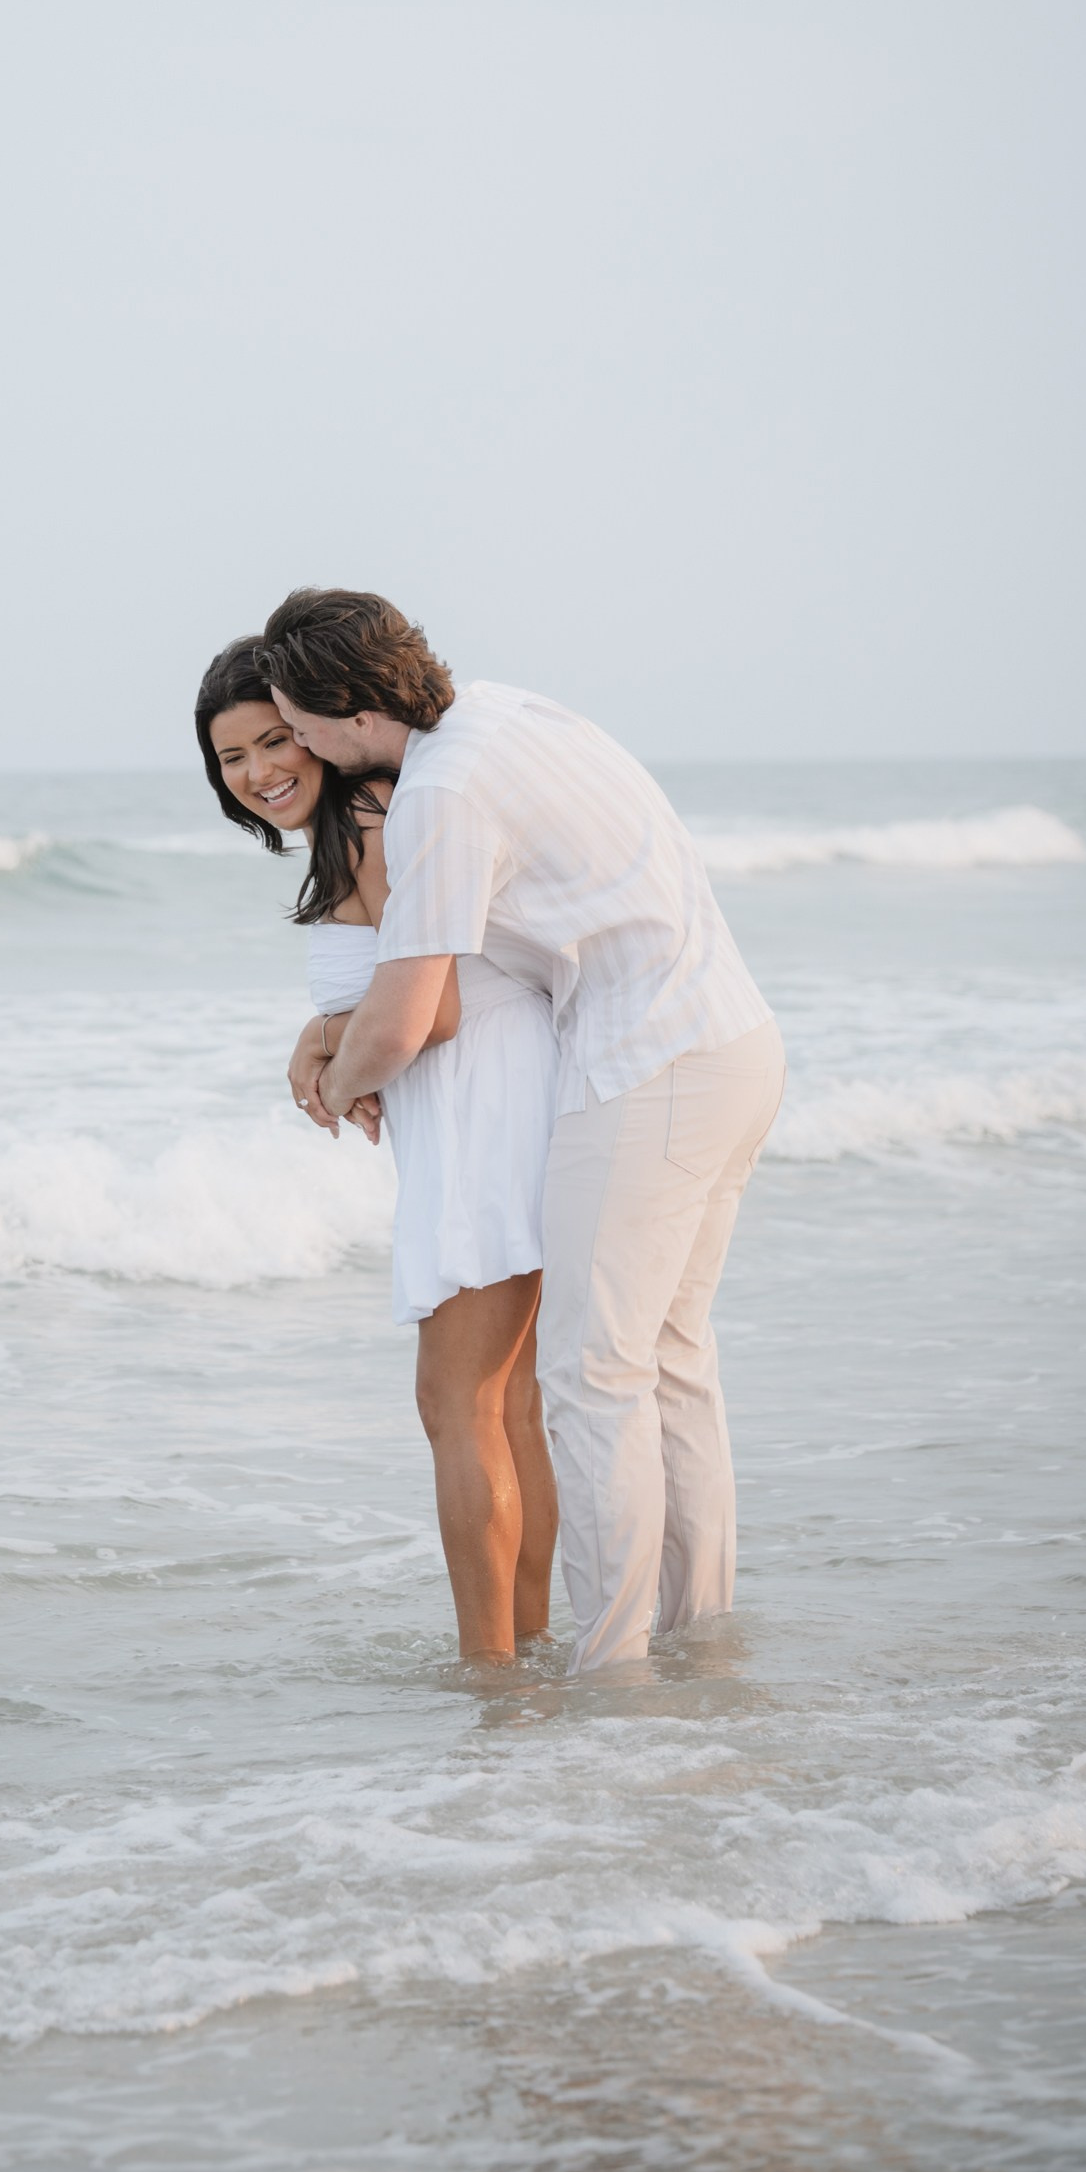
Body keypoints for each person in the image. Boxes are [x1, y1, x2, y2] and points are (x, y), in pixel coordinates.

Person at [257, 589, 784, 1679]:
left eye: (294, 723)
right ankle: (695, 1644)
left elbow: (409, 1013)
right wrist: (334, 1040)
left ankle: (612, 1668)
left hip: (646, 1065)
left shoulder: (440, 793)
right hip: (732, 1037)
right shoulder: (500, 712)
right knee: (670, 1364)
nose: (292, 747)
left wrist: (332, 1078)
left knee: (594, 1378)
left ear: (345, 708)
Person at [195, 638, 558, 1664]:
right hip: (493, 1095)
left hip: (479, 1102)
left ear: (318, 727)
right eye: (231, 758)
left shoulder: (364, 817)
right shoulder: (363, 820)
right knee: (503, 1401)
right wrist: (326, 1038)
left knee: (455, 1402)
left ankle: (489, 1675)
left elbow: (431, 1011)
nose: (260, 770)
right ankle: (522, 1652)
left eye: (276, 739)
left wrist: (338, 1071)